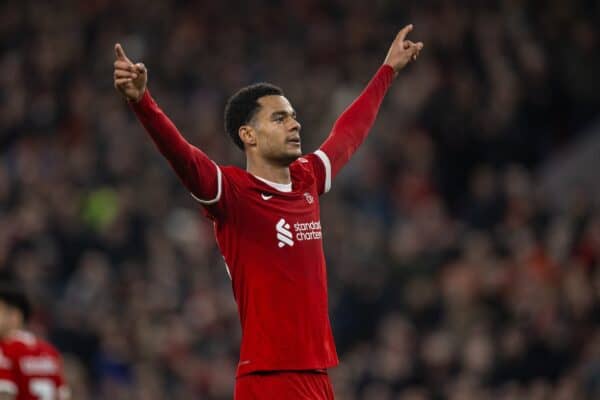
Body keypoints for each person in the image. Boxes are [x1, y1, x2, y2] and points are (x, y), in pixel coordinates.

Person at [114, 24, 423, 399]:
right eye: (279, 118)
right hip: (270, 378)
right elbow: (183, 156)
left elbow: (349, 133)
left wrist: (387, 71)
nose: (295, 123)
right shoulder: (233, 194)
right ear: (249, 135)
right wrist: (142, 102)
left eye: (293, 116)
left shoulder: (306, 179)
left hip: (317, 374)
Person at [0, 285, 69, 400]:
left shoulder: (5, 351)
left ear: (14, 316)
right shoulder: (49, 352)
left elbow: (4, 395)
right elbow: (63, 395)